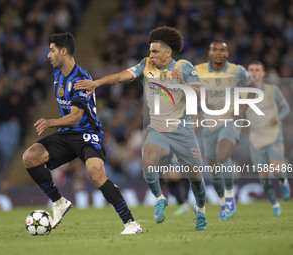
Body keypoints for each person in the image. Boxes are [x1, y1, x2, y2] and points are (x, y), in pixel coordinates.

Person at [75, 26, 207, 231]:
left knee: (196, 178)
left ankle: (200, 213)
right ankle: (160, 199)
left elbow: (198, 92)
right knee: (148, 161)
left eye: (154, 51)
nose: (150, 55)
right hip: (157, 128)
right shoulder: (146, 65)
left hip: (182, 129)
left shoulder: (183, 66)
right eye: (150, 51)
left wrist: (182, 83)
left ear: (168, 52)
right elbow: (120, 76)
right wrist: (97, 82)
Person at [22, 32, 142, 234]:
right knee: (30, 157)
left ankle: (131, 223)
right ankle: (59, 202)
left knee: (96, 173)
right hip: (67, 134)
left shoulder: (81, 79)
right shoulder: (58, 75)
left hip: (87, 133)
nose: (49, 55)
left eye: (52, 51)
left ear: (63, 51)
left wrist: (50, 121)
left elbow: (76, 117)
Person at [195, 40, 254, 221]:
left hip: (231, 121)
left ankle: (229, 197)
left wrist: (243, 108)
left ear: (227, 54)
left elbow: (253, 86)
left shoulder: (237, 71)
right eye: (214, 50)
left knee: (222, 156)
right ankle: (222, 203)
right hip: (209, 124)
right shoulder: (198, 70)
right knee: (213, 169)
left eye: (222, 50)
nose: (218, 53)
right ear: (209, 53)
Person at [245, 60, 291, 216]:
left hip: (273, 135)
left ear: (263, 73)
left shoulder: (273, 90)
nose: (254, 73)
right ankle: (275, 205)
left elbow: (285, 107)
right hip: (256, 139)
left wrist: (279, 116)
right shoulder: (243, 94)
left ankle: (284, 181)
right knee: (263, 176)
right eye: (251, 70)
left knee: (277, 168)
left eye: (257, 70)